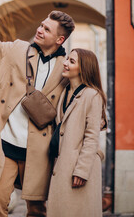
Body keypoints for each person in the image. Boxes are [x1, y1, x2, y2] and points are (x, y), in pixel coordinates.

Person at [0, 0, 75, 217]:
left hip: (39, 152)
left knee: (37, 211)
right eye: (42, 25)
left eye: (47, 30)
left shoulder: (66, 69)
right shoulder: (15, 50)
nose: (40, 30)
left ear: (60, 40)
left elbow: (79, 99)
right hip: (5, 144)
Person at [47, 48, 107, 217]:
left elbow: (91, 137)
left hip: (79, 168)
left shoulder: (92, 95)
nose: (65, 63)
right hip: (62, 163)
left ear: (83, 69)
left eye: (71, 61)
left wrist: (81, 171)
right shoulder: (64, 92)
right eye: (67, 59)